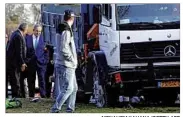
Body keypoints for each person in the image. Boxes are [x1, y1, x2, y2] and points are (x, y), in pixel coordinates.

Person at [51, 10, 78, 113]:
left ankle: (70, 110)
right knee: (68, 89)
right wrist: (72, 59)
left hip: (64, 63)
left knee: (74, 88)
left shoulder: (61, 27)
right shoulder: (67, 29)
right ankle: (55, 109)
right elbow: (64, 48)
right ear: (73, 18)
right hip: (67, 64)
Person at [25, 24, 49, 98]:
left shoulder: (44, 39)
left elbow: (47, 51)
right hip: (31, 63)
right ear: (33, 30)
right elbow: (25, 50)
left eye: (40, 31)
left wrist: (45, 61)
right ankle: (31, 96)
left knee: (42, 79)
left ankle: (43, 95)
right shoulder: (27, 38)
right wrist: (26, 60)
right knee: (31, 80)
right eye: (37, 31)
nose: (38, 33)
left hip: (41, 63)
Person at [6, 23, 28, 98]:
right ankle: (16, 98)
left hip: (11, 63)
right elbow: (19, 51)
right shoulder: (18, 36)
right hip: (14, 64)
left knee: (15, 82)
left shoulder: (14, 34)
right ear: (24, 29)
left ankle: (16, 97)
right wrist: (22, 63)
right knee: (16, 82)